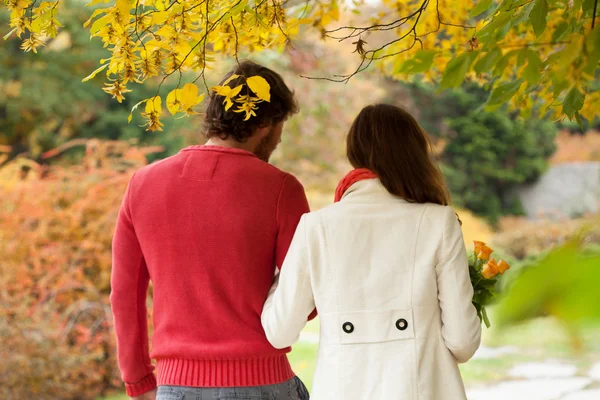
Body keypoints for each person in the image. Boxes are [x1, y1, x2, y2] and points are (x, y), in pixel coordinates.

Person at [111, 60, 311, 400]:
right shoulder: (281, 189)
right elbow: (307, 291)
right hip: (263, 380)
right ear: (265, 124)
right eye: (280, 127)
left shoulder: (143, 184)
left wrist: (137, 379)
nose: (278, 139)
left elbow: (125, 293)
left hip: (177, 385)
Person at [261, 104, 481, 400]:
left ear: (354, 152)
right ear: (416, 152)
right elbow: (463, 342)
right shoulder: (438, 222)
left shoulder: (316, 227)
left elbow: (279, 331)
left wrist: (276, 278)